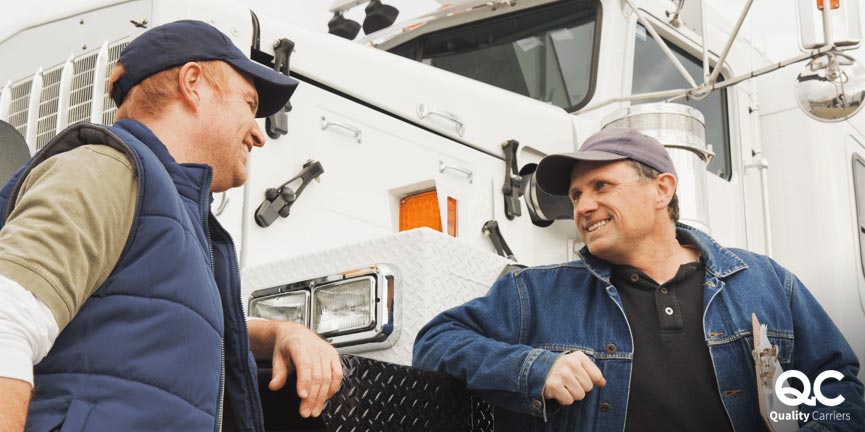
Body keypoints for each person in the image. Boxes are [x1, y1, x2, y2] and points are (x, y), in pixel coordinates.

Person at [0, 20, 342, 431]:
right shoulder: (109, 169)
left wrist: (276, 333)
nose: (258, 134)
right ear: (193, 83)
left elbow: (153, 317)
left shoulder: (176, 212)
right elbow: (7, 322)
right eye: (249, 105)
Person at [413, 128, 865, 431]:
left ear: (662, 190)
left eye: (601, 187)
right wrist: (534, 369)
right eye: (575, 195)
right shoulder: (534, 292)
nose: (582, 207)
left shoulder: (766, 281)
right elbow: (433, 343)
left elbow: (841, 386)